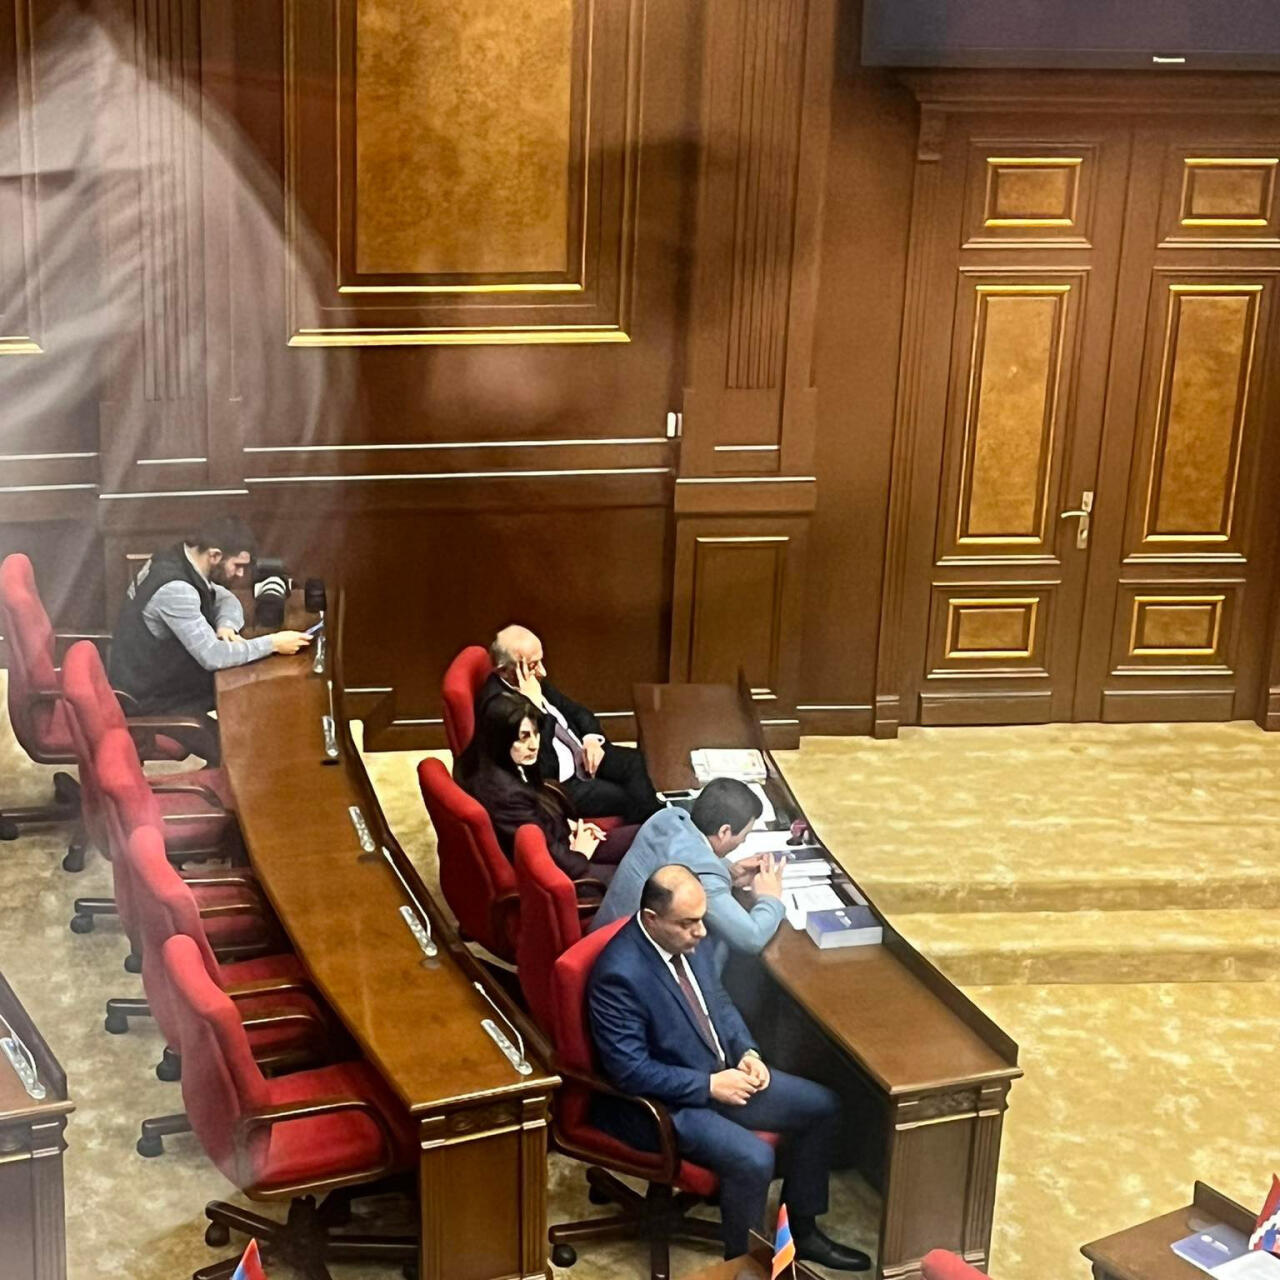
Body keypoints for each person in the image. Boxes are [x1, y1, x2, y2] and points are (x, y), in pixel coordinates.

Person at [587, 866, 870, 1269]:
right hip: (664, 1104)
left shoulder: (690, 938)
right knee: (753, 1159)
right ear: (651, 919)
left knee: (822, 1106)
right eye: (688, 923)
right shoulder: (619, 974)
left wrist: (747, 1052)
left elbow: (718, 1002)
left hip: (721, 1074)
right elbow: (629, 1071)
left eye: (702, 919)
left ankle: (801, 1233)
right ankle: (743, 1268)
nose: (701, 932)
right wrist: (708, 1085)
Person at [108, 517, 312, 763]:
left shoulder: (176, 559)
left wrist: (226, 625)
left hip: (163, 682)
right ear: (215, 555)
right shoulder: (176, 590)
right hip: (149, 702)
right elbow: (213, 656)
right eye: (237, 566)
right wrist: (273, 643)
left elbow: (225, 598)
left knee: (250, 693)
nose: (240, 574)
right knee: (240, 750)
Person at [477, 624, 661, 825]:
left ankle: (659, 821)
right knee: (627, 796)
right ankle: (657, 827)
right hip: (562, 783)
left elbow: (576, 711)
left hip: (583, 753)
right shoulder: (499, 708)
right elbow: (541, 765)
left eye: (541, 662)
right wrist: (535, 705)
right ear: (504, 671)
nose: (543, 672)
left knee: (634, 762)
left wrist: (591, 740)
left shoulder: (530, 679)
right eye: (533, 665)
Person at [590, 777, 785, 961]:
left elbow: (682, 858)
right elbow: (751, 938)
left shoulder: (669, 817)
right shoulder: (705, 876)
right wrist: (770, 898)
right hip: (631, 963)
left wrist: (730, 872)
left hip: (600, 938)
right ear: (724, 831)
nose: (743, 842)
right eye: (744, 835)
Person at [455, 690, 637, 883]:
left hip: (562, 841)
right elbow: (546, 861)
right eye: (523, 737)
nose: (534, 745)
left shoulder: (496, 759)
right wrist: (581, 853)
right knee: (641, 877)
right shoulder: (505, 793)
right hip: (567, 874)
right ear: (499, 739)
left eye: (536, 734)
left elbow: (535, 808)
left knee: (653, 833)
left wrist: (572, 827)